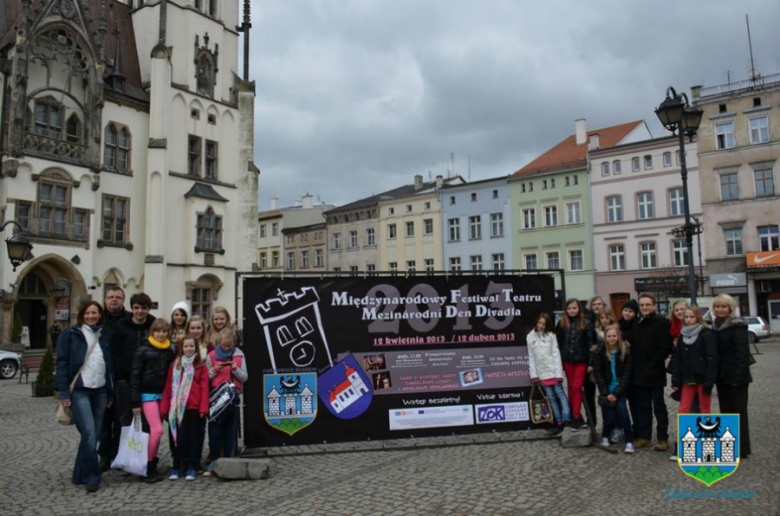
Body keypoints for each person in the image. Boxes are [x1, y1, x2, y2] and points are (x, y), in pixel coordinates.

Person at [56, 301, 114, 492]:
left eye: (94, 313)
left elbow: (109, 364)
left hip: (100, 390)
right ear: (82, 315)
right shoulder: (71, 335)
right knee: (89, 434)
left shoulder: (104, 334)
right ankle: (93, 476)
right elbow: (62, 363)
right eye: (88, 313)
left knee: (93, 435)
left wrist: (110, 392)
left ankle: (79, 473)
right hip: (80, 390)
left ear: (99, 315)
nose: (91, 316)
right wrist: (63, 392)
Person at [130, 318, 176, 482]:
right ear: (152, 332)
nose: (161, 334)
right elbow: (135, 376)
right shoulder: (142, 350)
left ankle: (154, 463)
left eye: (164, 331)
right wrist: (135, 402)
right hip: (147, 395)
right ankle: (147, 466)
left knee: (159, 431)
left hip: (164, 395)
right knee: (157, 430)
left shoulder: (170, 351)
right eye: (158, 331)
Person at [160, 335, 209, 481]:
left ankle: (192, 466)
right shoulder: (175, 366)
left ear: (196, 348)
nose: (189, 349)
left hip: (193, 407)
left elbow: (205, 388)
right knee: (177, 439)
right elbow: (168, 387)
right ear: (181, 348)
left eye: (191, 346)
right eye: (186, 346)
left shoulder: (201, 366)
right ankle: (176, 465)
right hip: (176, 408)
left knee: (193, 438)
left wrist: (203, 408)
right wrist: (164, 407)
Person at [629, 293, 673, 451]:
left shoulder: (661, 322)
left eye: (647, 305)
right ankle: (645, 437)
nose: (645, 308)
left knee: (659, 407)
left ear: (654, 306)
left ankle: (662, 438)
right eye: (642, 305)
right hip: (639, 373)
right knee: (643, 407)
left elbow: (665, 347)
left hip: (655, 372)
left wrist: (652, 364)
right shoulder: (637, 324)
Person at [711, 294, 752, 459]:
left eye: (723, 307)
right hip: (722, 377)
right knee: (726, 412)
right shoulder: (714, 326)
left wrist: (738, 377)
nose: (720, 310)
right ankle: (729, 446)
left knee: (739, 413)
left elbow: (742, 354)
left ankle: (742, 448)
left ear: (730, 309)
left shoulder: (737, 326)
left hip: (737, 377)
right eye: (717, 307)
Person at [205, 327, 248, 476]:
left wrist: (236, 369)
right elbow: (206, 378)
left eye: (230, 345)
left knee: (230, 430)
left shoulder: (239, 355)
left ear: (234, 342)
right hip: (216, 398)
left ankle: (229, 460)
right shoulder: (211, 356)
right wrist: (214, 370)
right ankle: (215, 461)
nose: (227, 348)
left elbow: (245, 377)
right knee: (215, 430)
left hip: (232, 397)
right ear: (219, 342)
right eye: (224, 346)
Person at [111, 293, 155, 428]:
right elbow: (115, 352)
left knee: (148, 421)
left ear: (148, 309)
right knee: (125, 419)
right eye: (136, 308)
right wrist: (120, 377)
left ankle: (146, 449)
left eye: (143, 308)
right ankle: (125, 449)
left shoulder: (154, 325)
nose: (140, 311)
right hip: (126, 380)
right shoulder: (121, 326)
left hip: (148, 381)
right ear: (132, 308)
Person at [97, 286, 128, 470]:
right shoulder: (97, 320)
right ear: (105, 300)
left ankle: (118, 454)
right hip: (102, 379)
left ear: (123, 300)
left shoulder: (130, 320)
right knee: (103, 421)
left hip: (123, 379)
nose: (114, 300)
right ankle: (104, 456)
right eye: (111, 297)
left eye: (118, 297)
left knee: (121, 420)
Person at [527, 313, 570, 436]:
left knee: (560, 394)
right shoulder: (530, 337)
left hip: (553, 371)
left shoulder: (551, 335)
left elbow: (556, 354)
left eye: (544, 324)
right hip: (542, 373)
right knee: (551, 397)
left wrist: (558, 373)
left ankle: (567, 420)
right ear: (536, 322)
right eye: (539, 323)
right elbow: (531, 357)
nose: (541, 326)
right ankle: (559, 422)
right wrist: (534, 375)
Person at [592, 324, 634, 454]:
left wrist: (617, 393)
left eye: (614, 336)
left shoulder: (625, 351)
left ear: (618, 337)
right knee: (608, 415)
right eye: (609, 336)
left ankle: (629, 441)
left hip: (619, 390)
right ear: (605, 337)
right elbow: (598, 374)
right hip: (607, 390)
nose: (611, 338)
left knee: (623, 413)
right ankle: (605, 436)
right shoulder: (600, 352)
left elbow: (627, 374)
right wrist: (605, 392)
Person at [556, 298, 595, 431]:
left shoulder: (586, 323)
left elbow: (590, 344)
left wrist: (590, 362)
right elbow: (559, 344)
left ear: (579, 309)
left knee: (577, 386)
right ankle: (577, 416)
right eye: (569, 308)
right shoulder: (562, 324)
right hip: (567, 360)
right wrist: (559, 362)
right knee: (571, 388)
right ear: (566, 310)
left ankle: (576, 417)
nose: (572, 311)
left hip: (581, 360)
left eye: (574, 308)